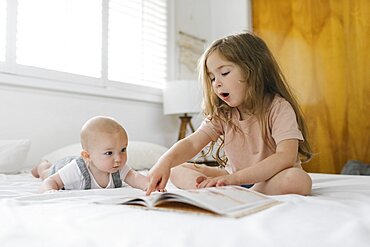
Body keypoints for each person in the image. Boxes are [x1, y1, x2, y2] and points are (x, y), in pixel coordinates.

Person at [146, 32, 312, 196]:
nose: (217, 83)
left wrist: (234, 180)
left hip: (269, 179)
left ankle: (238, 192)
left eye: (224, 73)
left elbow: (286, 157)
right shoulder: (222, 114)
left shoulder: (278, 107)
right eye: (212, 78)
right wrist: (165, 161)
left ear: (253, 70)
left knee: (297, 180)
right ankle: (217, 190)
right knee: (176, 168)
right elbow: (192, 144)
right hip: (232, 178)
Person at [32, 116, 149, 193]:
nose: (118, 159)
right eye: (109, 153)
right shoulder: (76, 169)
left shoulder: (117, 168)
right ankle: (42, 166)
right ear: (88, 156)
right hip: (63, 165)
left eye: (123, 150)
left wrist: (149, 186)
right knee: (45, 174)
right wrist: (50, 191)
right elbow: (52, 181)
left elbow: (134, 177)